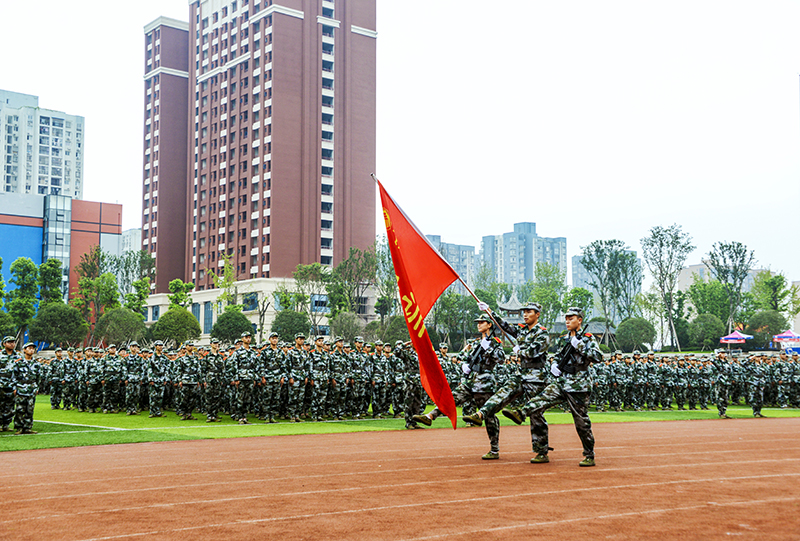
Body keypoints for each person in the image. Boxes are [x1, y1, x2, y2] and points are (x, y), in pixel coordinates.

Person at [505, 307, 601, 467]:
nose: (568, 321)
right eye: (566, 318)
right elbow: (558, 355)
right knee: (542, 398)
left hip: (579, 385)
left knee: (581, 422)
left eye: (571, 318)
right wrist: (554, 364)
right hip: (562, 381)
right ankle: (521, 412)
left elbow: (598, 357)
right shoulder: (564, 339)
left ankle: (589, 454)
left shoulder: (588, 338)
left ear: (580, 320)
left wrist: (581, 346)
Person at [462, 302, 551, 457]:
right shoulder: (522, 330)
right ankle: (481, 414)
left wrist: (521, 351)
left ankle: (541, 451)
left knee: (536, 414)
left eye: (529, 311)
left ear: (537, 314)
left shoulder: (542, 333)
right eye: (524, 311)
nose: (525, 314)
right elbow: (503, 325)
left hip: (536, 376)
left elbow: (535, 352)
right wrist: (489, 311)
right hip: (521, 374)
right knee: (502, 393)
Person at [413, 313, 505, 459]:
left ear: (490, 325)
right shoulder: (475, 343)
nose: (479, 324)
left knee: (488, 415)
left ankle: (494, 449)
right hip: (471, 380)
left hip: (485, 383)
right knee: (451, 397)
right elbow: (467, 358)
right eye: (478, 322)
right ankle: (430, 416)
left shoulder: (495, 342)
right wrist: (465, 365)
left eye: (482, 322)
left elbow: (500, 359)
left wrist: (490, 348)